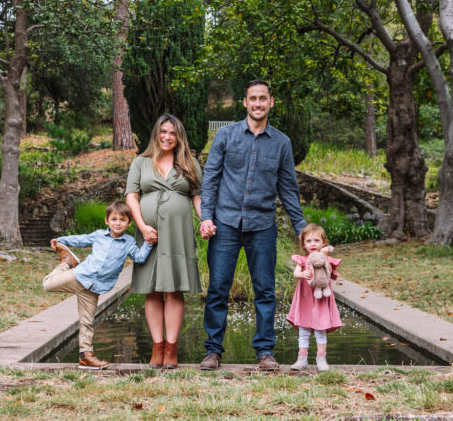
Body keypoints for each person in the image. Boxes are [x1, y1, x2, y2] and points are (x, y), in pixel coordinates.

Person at [198, 79, 307, 371]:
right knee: (218, 289)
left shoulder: (282, 142)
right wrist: (206, 217)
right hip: (225, 225)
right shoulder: (225, 136)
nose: (258, 103)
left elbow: (288, 189)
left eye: (263, 98)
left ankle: (265, 352)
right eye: (253, 98)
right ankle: (212, 351)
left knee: (265, 290)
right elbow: (210, 180)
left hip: (262, 226)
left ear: (271, 102)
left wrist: (303, 230)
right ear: (244, 102)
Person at [125, 114, 203, 370]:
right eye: (163, 132)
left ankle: (171, 348)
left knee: (174, 289)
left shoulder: (189, 164)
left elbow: (198, 198)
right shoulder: (141, 162)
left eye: (173, 133)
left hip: (178, 234)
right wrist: (142, 227)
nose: (167, 137)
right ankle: (156, 348)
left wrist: (206, 220)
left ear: (179, 137)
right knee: (152, 289)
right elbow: (132, 197)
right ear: (156, 134)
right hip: (149, 234)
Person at [43, 201, 153, 370]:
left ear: (129, 223)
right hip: (80, 276)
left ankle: (85, 356)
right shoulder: (99, 236)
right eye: (114, 219)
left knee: (87, 322)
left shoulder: (129, 242)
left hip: (95, 288)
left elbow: (139, 258)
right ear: (106, 221)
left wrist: (149, 243)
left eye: (122, 220)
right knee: (47, 285)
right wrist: (61, 241)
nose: (118, 223)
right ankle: (67, 262)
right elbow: (81, 240)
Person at [287, 223, 342, 372]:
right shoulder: (303, 260)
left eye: (316, 241)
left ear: (324, 243)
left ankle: (321, 359)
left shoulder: (326, 259)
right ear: (303, 244)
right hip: (305, 298)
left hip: (321, 299)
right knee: (303, 330)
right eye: (309, 241)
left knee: (320, 329)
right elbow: (296, 273)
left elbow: (329, 272)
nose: (312, 244)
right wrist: (302, 274)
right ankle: (302, 359)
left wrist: (324, 256)